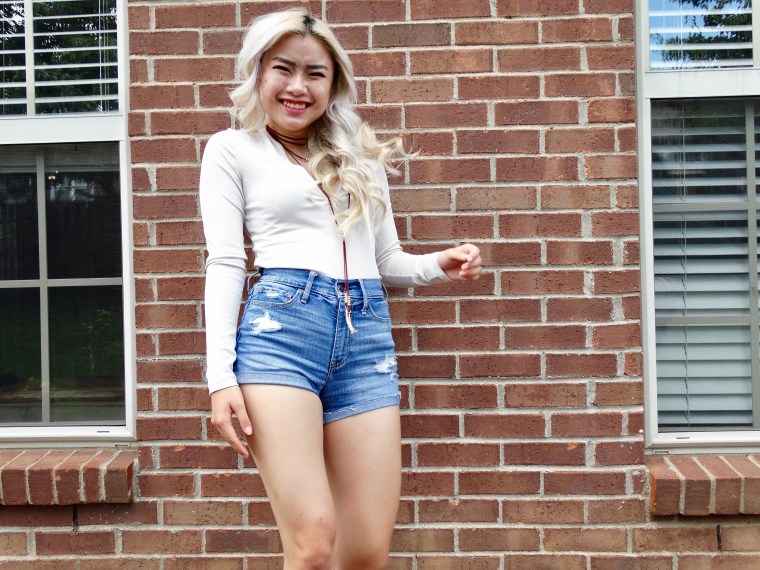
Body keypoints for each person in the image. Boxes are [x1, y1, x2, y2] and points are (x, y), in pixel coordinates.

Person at [199, 8, 482, 569]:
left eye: (316, 73)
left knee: (366, 551)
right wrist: (220, 377)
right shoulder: (232, 150)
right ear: (258, 72)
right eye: (284, 68)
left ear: (334, 84)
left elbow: (386, 260)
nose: (298, 86)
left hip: (365, 337)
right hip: (282, 333)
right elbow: (227, 262)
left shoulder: (359, 157)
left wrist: (438, 265)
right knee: (312, 543)